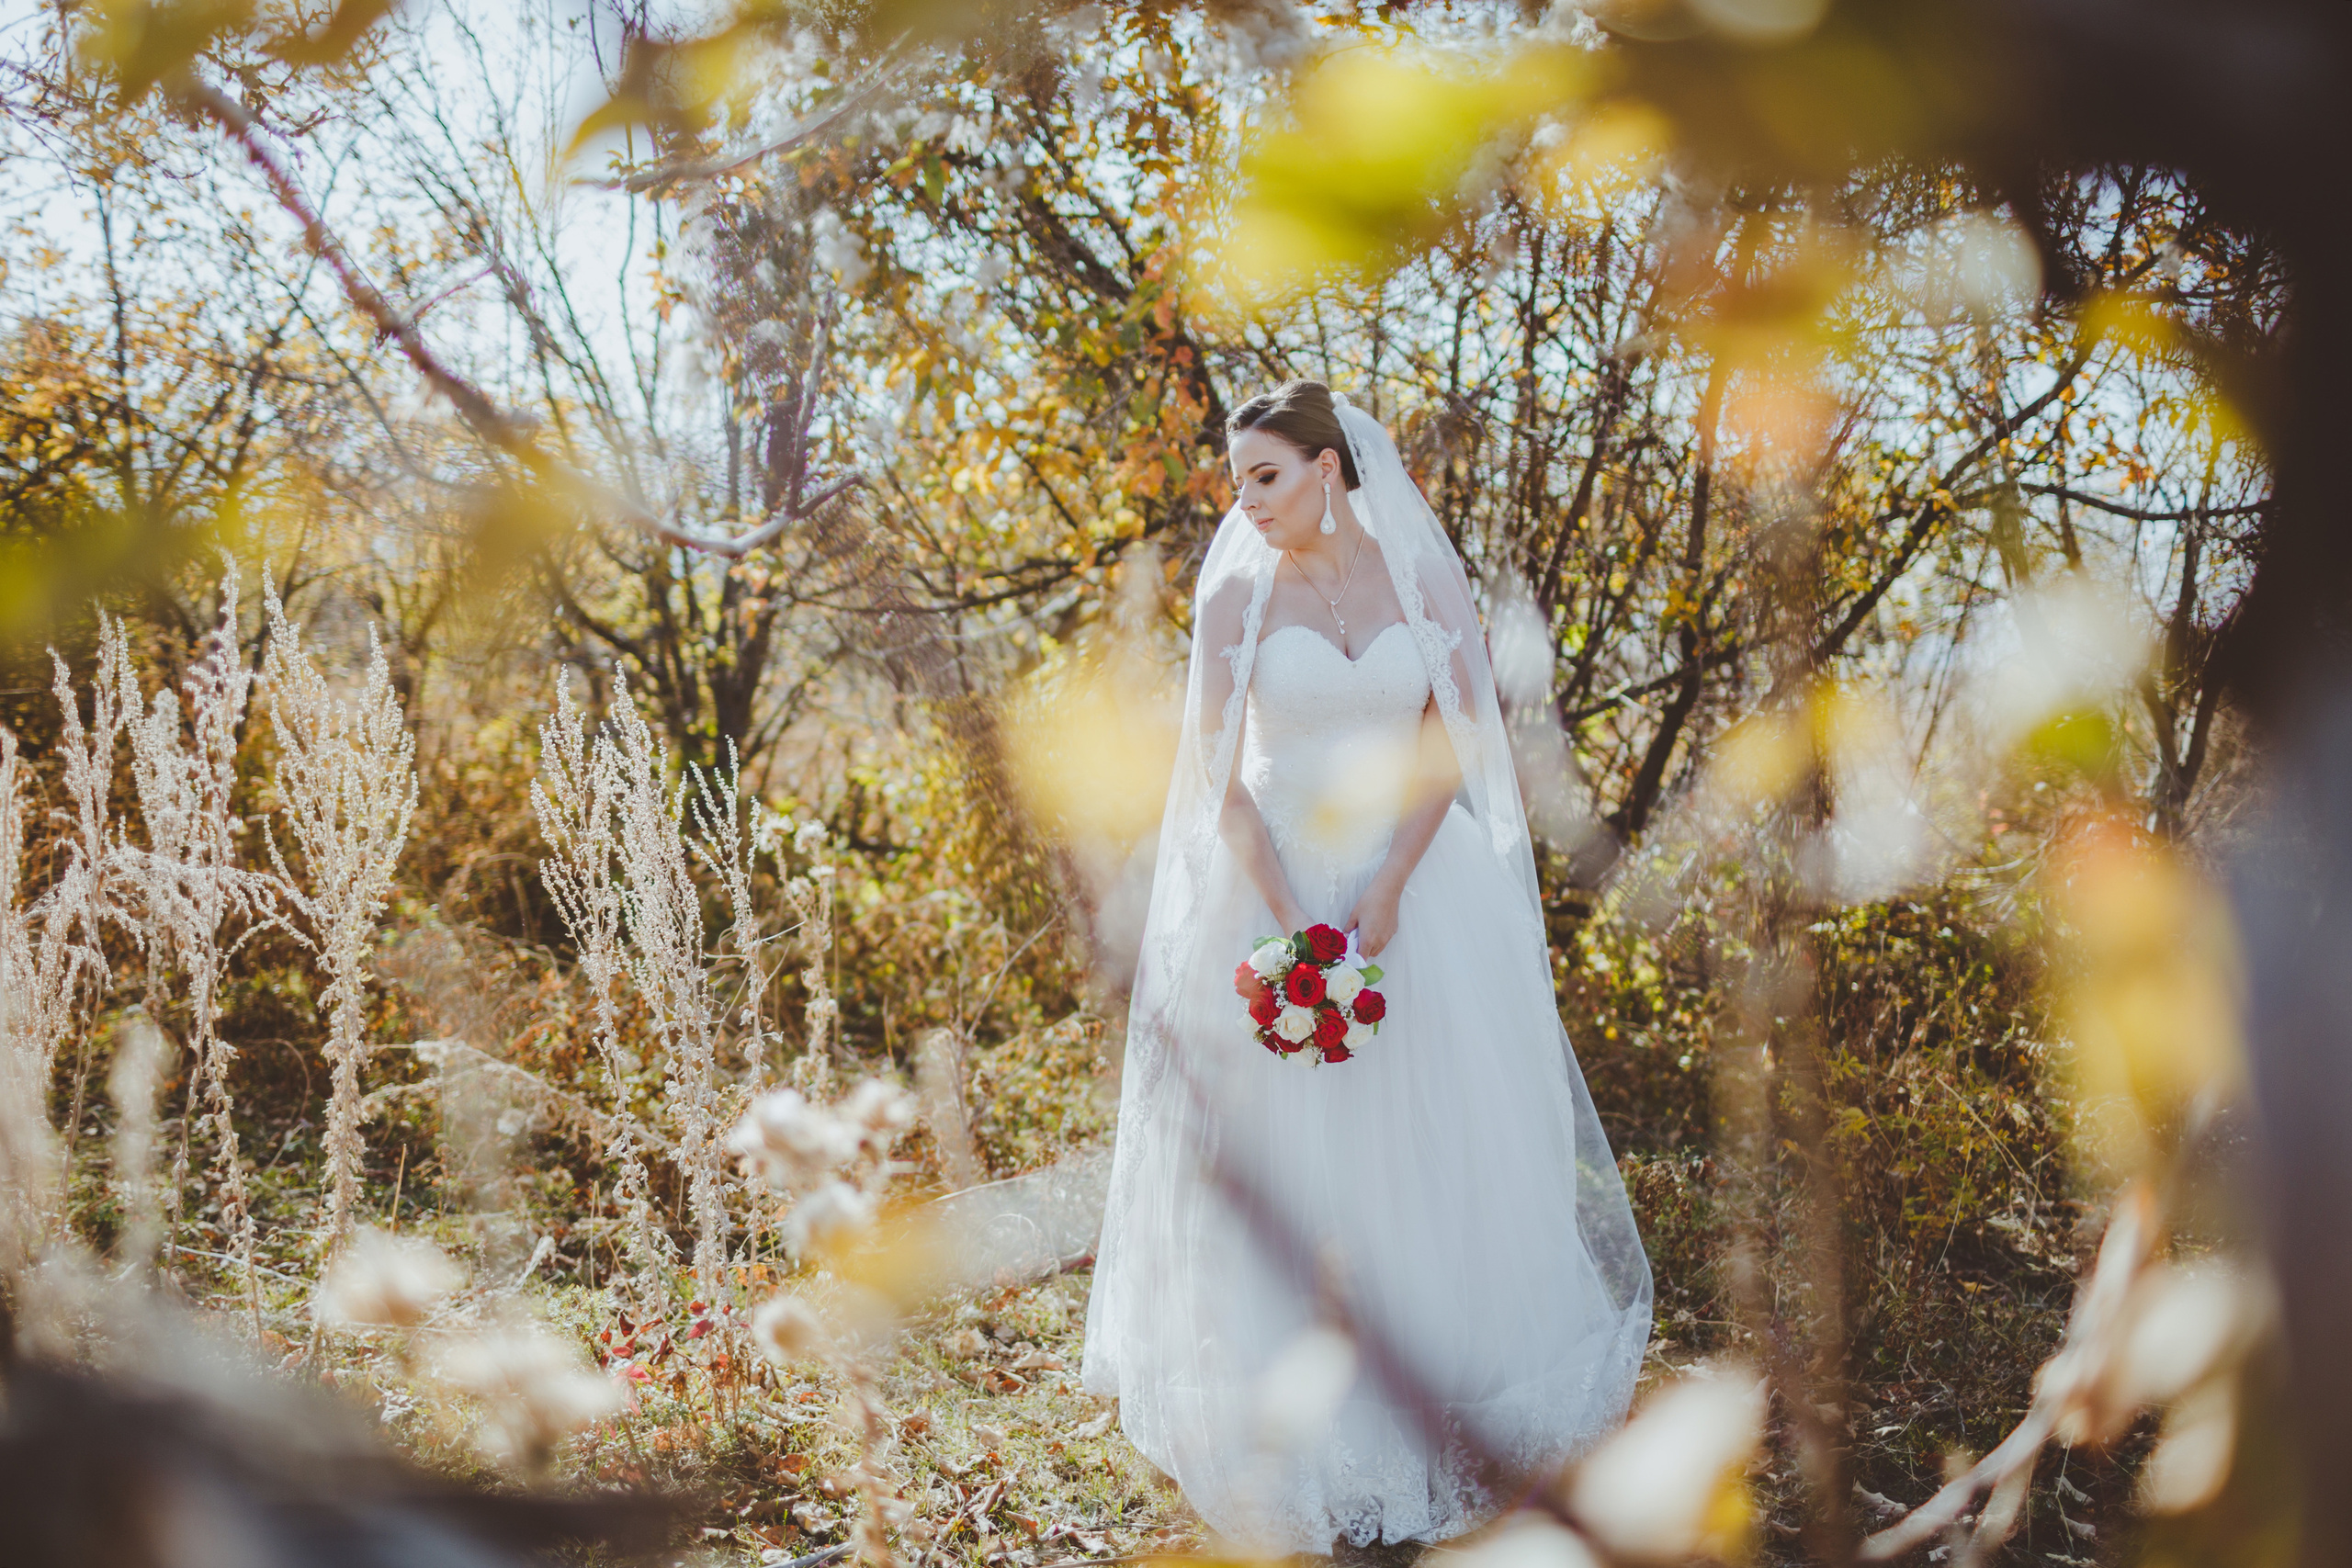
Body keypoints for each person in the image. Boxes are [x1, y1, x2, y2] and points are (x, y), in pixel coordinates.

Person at [1082, 381, 1653, 1558]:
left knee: (1432, 1141)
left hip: (1418, 885)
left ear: (1328, 468)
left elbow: (1452, 743)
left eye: (1266, 475)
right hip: (1274, 890)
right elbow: (1213, 781)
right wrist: (1295, 923)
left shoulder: (1420, 580)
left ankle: (1442, 1386)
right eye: (1237, 480)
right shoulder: (1234, 596)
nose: (1247, 501)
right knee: (1294, 1157)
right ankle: (1304, 1411)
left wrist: (1389, 885)